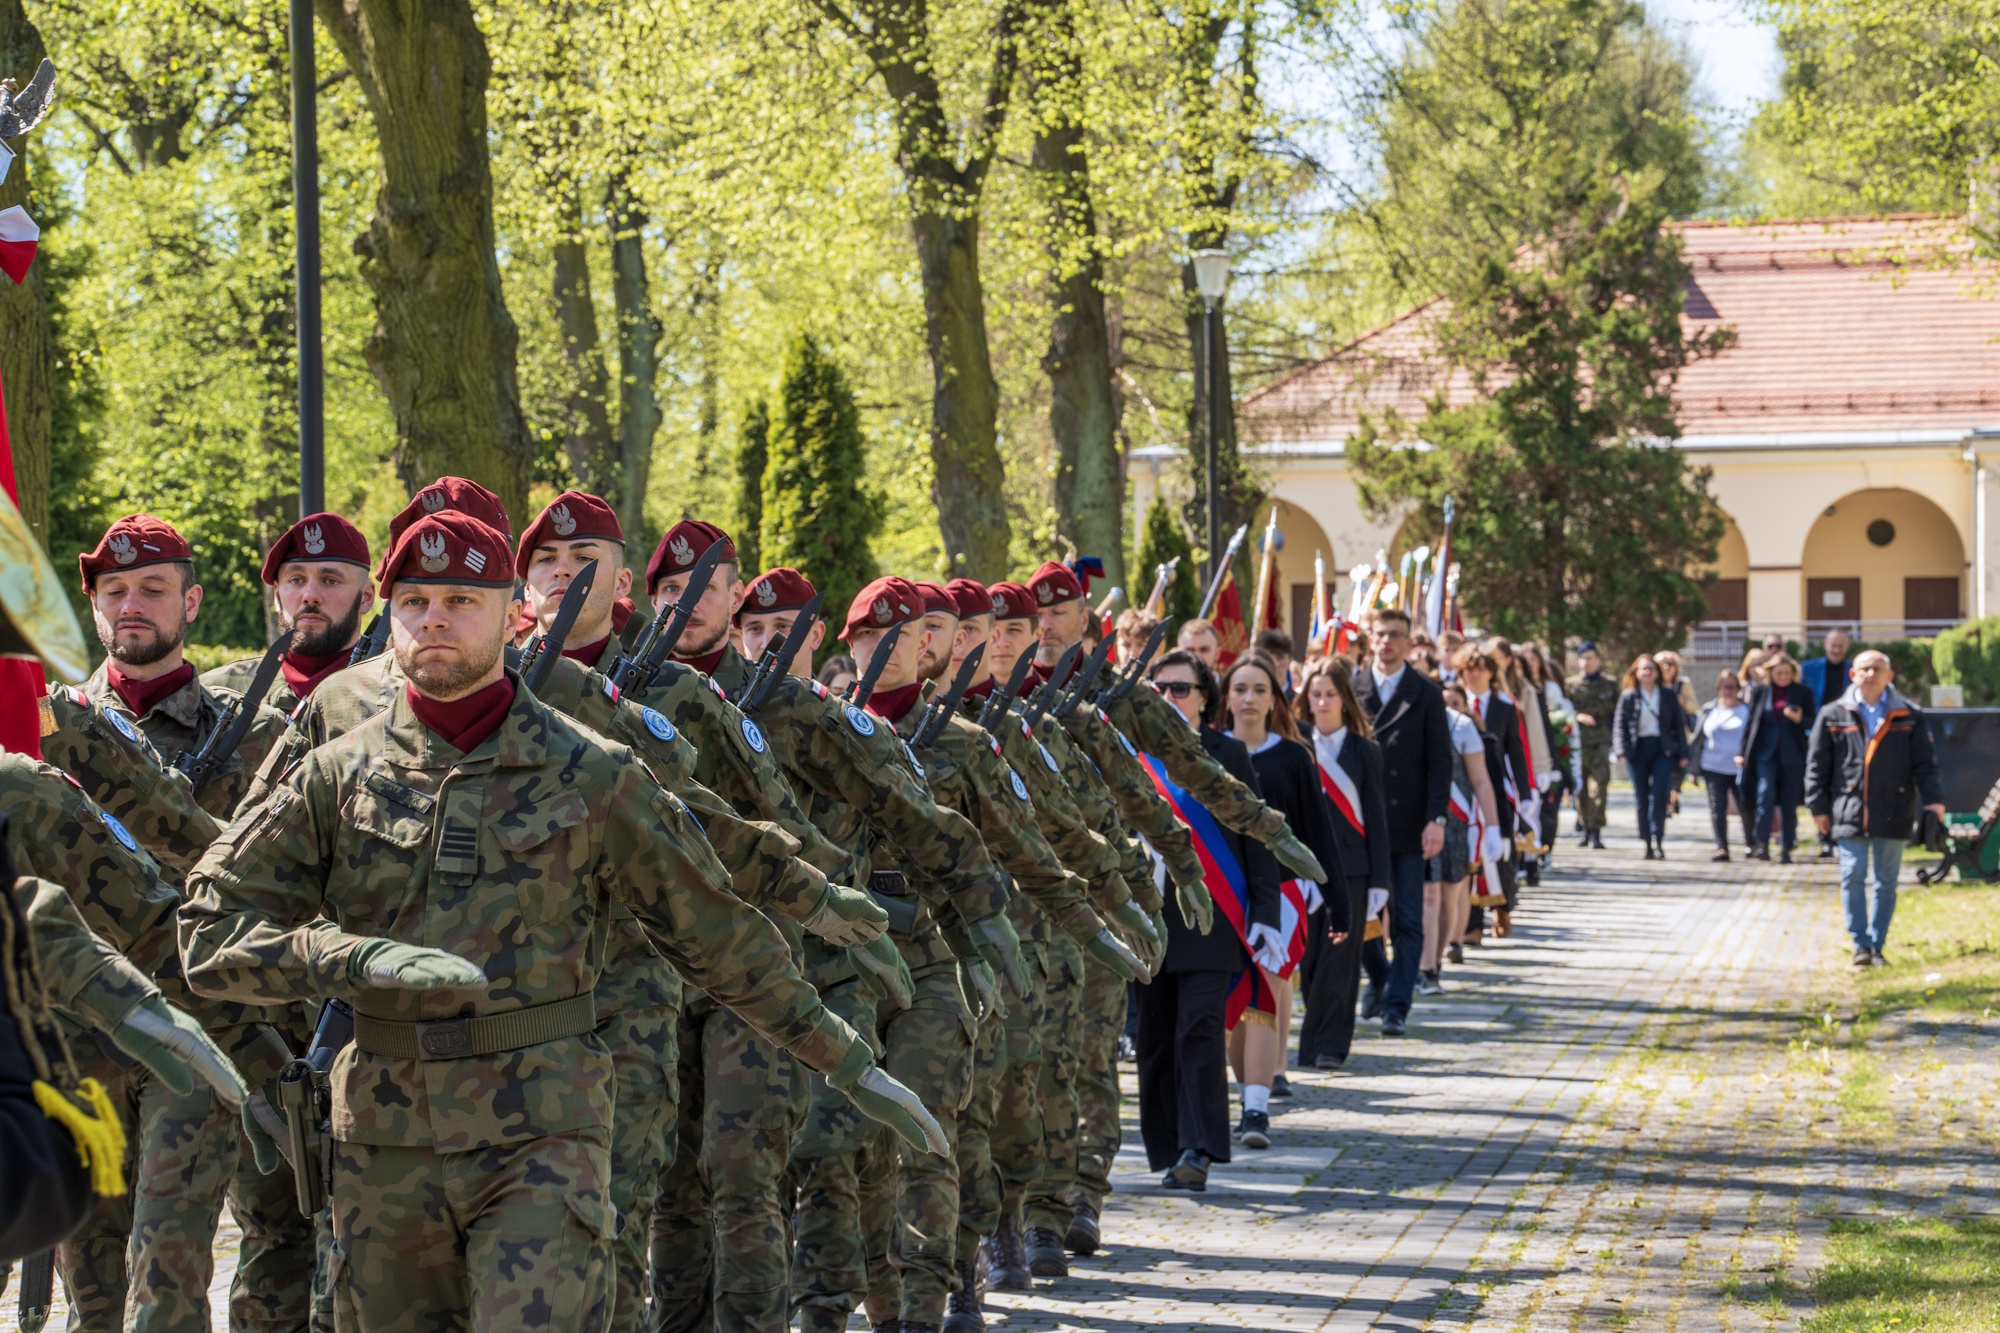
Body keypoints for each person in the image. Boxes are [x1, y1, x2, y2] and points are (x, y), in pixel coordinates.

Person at [182, 510, 946, 1333]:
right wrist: (345, 957)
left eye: (462, 600)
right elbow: (208, 927)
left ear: (514, 613)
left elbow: (716, 931)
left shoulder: (594, 770)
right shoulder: (336, 773)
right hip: (383, 1143)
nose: (435, 617)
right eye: (416, 601)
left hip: (543, 1131)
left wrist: (848, 1061)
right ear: (389, 615)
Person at [1133, 650, 1280, 1191]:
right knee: (1155, 1038)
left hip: (1214, 919)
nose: (1169, 698)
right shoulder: (1129, 755)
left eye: (1180, 689)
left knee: (1198, 1029)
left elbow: (1255, 835)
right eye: (1160, 688)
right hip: (1149, 917)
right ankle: (1170, 1146)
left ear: (1204, 697)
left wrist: (1266, 912)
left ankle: (1200, 1147)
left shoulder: (1227, 754)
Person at [1214, 653, 1346, 1148]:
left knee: (1266, 990)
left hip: (1285, 893)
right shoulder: (1208, 754)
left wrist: (1337, 899)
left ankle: (1255, 1110)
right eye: (1240, 688)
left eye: (1260, 690)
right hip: (1225, 889)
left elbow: (1318, 828)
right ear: (1225, 696)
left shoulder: (1293, 756)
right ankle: (1244, 1084)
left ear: (1275, 699)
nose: (1249, 698)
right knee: (1233, 997)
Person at [1347, 608, 1452, 1037]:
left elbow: (1439, 761)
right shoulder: (1351, 688)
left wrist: (1437, 819)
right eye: (1380, 634)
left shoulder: (1425, 693)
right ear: (1369, 639)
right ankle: (1378, 973)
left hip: (1408, 825)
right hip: (1360, 824)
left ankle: (1397, 1005)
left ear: (1409, 643)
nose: (1387, 642)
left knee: (1407, 918)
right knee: (1360, 918)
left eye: (1396, 635)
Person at [1806, 649, 1945, 967]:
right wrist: (1818, 807)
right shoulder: (1832, 714)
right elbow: (1817, 765)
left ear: (1889, 676)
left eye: (1877, 669)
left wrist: (1934, 801)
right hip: (1847, 808)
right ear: (1853, 675)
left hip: (1893, 807)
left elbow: (1926, 764)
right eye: (1864, 669)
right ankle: (1861, 944)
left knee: (1886, 881)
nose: (1871, 674)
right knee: (1852, 874)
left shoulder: (1910, 715)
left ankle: (1877, 945)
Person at [1292, 659, 1389, 1071]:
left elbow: (1376, 817)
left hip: (1352, 869)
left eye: (1331, 694)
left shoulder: (1365, 751)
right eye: (1316, 694)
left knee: (1341, 960)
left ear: (1344, 700)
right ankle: (1311, 1041)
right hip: (1305, 868)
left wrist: (1380, 880)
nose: (1323, 701)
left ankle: (1330, 1045)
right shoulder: (1296, 747)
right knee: (1310, 959)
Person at [203, 511, 375, 711]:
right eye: (296, 580)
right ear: (276, 596)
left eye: (330, 580)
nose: (310, 595)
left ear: (366, 597)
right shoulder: (217, 694)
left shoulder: (395, 692)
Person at [1424, 683, 1500, 993]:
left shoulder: (1462, 725)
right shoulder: (1416, 722)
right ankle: (1424, 968)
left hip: (1456, 824)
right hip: (1421, 821)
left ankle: (1437, 959)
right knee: (1427, 896)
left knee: (1447, 897)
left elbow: (1480, 779)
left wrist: (1493, 827)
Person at [1453, 647, 1532, 934]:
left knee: (1502, 853)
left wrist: (1525, 794)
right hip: (1463, 791)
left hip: (1497, 790)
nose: (1473, 674)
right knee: (1470, 856)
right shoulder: (1453, 704)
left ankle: (1503, 906)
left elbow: (1517, 753)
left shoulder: (1506, 707)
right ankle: (1472, 925)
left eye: (1479, 668)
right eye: (1467, 669)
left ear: (1490, 672)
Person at [1738, 653, 1814, 862]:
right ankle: (1761, 843)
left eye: (1787, 673)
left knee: (1789, 803)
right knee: (1765, 794)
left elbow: (1812, 722)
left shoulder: (1803, 692)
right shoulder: (1761, 691)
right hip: (1765, 754)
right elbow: (1751, 725)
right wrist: (1742, 752)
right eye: (1779, 673)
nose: (1783, 676)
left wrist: (1800, 719)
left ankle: (1787, 847)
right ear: (1770, 673)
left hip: (1793, 755)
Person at [1613, 653, 1689, 859]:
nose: (1647, 672)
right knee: (1641, 797)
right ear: (1636, 673)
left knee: (1660, 794)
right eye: (1643, 669)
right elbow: (1619, 725)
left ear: (1657, 672)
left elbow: (1678, 726)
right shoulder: (1629, 696)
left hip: (1661, 749)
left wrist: (1683, 752)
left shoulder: (1667, 695)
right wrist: (1620, 749)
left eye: (1651, 669)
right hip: (1637, 750)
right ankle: (1646, 841)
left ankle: (1658, 838)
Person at [1801, 628, 1854, 859]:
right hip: (1816, 732)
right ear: (1825, 644)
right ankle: (1824, 838)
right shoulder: (1809, 669)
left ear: (1846, 648)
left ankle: (1837, 835)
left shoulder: (1853, 670)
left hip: (1846, 735)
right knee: (1819, 782)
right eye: (1833, 646)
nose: (1836, 650)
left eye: (1840, 646)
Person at [1691, 671, 1752, 861]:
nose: (1727, 691)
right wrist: (1693, 770)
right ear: (1718, 688)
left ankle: (1751, 843)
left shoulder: (1747, 710)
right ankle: (1722, 848)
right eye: (1724, 687)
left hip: (1740, 768)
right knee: (1718, 807)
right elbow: (1697, 740)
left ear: (1738, 690)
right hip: (1712, 766)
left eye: (1732, 687)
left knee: (1745, 805)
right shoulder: (1709, 709)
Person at [1565, 642, 1617, 849]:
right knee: (1581, 789)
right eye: (1582, 658)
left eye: (1590, 658)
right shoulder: (1571, 684)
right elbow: (1563, 711)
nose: (1586, 662)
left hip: (1600, 743)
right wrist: (1578, 716)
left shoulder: (1610, 685)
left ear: (1598, 659)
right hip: (1578, 744)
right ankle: (1584, 826)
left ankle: (1596, 830)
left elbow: (1617, 713)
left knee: (1599, 787)